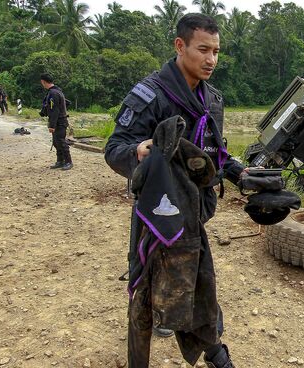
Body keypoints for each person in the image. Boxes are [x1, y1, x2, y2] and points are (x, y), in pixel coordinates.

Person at [105, 13, 242, 368]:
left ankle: (213, 351)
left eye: (216, 51)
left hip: (196, 212)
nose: (211, 59)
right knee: (145, 291)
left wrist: (244, 176)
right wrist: (139, 152)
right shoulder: (151, 95)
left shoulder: (213, 99)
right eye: (203, 49)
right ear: (180, 46)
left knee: (199, 283)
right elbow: (114, 148)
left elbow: (216, 153)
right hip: (158, 216)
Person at [39, 73, 72, 170]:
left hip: (59, 122)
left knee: (61, 142)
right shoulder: (56, 91)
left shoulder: (53, 93)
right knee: (56, 142)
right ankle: (60, 161)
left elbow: (54, 110)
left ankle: (68, 161)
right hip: (59, 120)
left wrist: (52, 125)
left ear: (43, 82)